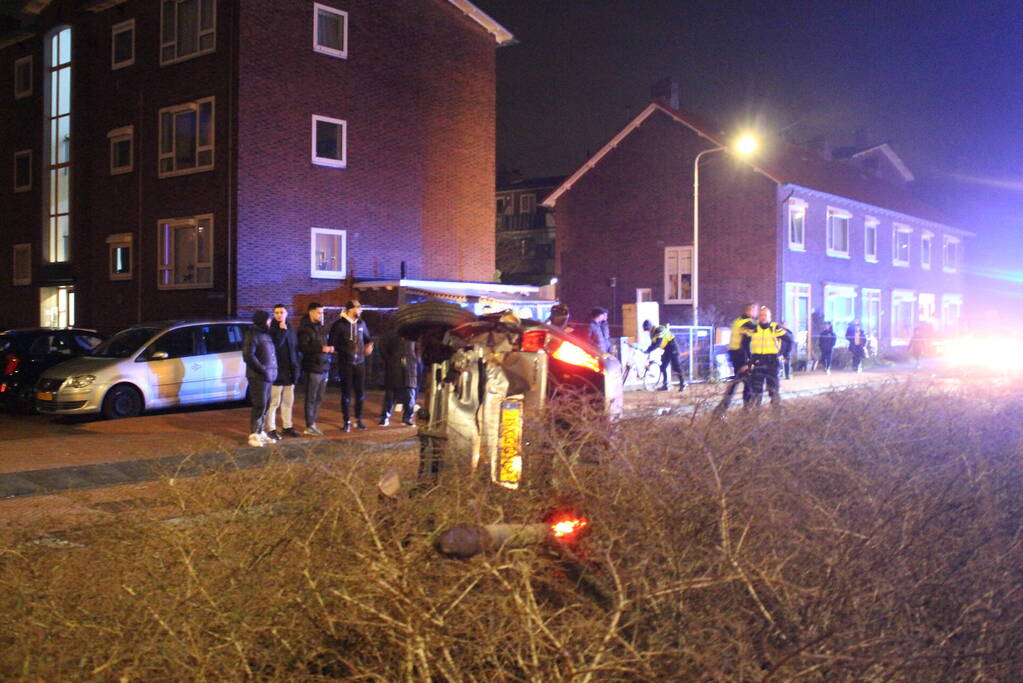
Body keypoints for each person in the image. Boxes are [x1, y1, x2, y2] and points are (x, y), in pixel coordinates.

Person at [329, 300, 374, 432]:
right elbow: (332, 343)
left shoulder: (361, 323)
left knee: (360, 393)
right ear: (350, 309)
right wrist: (343, 350)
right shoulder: (339, 324)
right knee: (346, 394)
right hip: (345, 363)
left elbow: (367, 338)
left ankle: (359, 419)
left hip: (360, 363)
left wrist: (370, 345)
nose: (360, 310)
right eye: (358, 308)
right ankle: (346, 421)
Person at [297, 301, 333, 436]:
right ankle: (309, 425)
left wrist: (329, 350)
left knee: (319, 398)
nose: (321, 315)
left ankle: (313, 422)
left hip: (324, 367)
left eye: (322, 313)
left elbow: (325, 344)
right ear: (311, 312)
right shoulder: (305, 329)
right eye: (319, 312)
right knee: (311, 398)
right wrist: (321, 348)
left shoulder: (321, 328)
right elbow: (303, 347)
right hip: (312, 367)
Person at [242, 310, 278, 447]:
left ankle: (260, 430)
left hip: (268, 376)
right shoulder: (252, 334)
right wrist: (263, 369)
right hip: (258, 376)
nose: (270, 322)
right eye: (268, 319)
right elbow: (248, 355)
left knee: (266, 405)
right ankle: (254, 434)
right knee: (259, 404)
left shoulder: (266, 334)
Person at [265, 304, 301, 439]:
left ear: (286, 313)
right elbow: (275, 347)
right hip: (277, 372)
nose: (279, 315)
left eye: (281, 312)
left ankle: (287, 426)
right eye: (276, 312)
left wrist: (296, 368)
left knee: (288, 401)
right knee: (274, 402)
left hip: (290, 371)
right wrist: (281, 331)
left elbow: (295, 349)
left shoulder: (290, 328)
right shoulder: (272, 329)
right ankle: (271, 428)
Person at [718, 303, 757, 408]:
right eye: (755, 310)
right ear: (749, 311)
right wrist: (749, 360)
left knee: (739, 380)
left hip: (734, 354)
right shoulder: (747, 323)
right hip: (741, 355)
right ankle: (745, 407)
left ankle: (724, 406)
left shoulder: (738, 321)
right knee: (748, 382)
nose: (756, 313)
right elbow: (746, 342)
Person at [746, 306, 786, 407]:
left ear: (770, 316)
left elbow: (789, 340)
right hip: (758, 359)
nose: (763, 317)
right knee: (756, 388)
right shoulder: (754, 328)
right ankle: (756, 411)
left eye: (765, 315)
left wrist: (782, 354)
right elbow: (745, 343)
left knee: (773, 388)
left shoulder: (775, 327)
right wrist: (749, 358)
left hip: (772, 360)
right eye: (761, 315)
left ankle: (776, 411)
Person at [379, 330, 419, 426]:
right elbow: (382, 347)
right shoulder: (391, 333)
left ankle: (407, 418)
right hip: (394, 367)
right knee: (390, 395)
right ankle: (385, 417)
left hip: (410, 367)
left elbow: (418, 348)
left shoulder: (414, 334)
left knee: (410, 394)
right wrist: (390, 360)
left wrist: (416, 359)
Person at [642, 320, 685, 391]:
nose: (647, 331)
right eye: (646, 330)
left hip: (673, 347)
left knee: (676, 367)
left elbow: (658, 344)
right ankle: (665, 385)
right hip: (667, 349)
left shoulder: (659, 330)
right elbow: (653, 344)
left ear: (651, 326)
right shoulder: (652, 334)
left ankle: (683, 383)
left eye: (648, 329)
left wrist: (648, 350)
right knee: (663, 366)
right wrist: (647, 350)